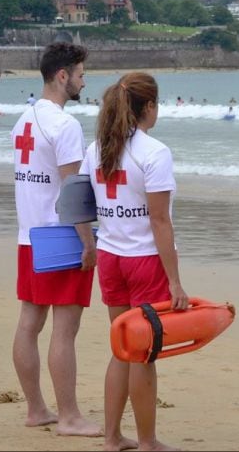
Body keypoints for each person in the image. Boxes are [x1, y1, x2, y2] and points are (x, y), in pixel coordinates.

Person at [80, 72, 188, 452]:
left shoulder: (96, 150)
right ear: (150, 107)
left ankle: (112, 438)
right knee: (143, 353)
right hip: (143, 262)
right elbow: (159, 220)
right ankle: (147, 442)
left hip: (110, 258)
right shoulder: (154, 152)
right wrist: (175, 281)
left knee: (121, 349)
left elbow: (81, 205)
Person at [10, 42, 101, 437]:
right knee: (65, 330)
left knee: (29, 323)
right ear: (62, 76)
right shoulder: (65, 125)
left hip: (28, 235)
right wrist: (88, 242)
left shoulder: (23, 120)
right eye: (81, 74)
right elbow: (73, 191)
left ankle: (36, 409)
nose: (84, 81)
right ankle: (68, 416)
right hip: (60, 237)